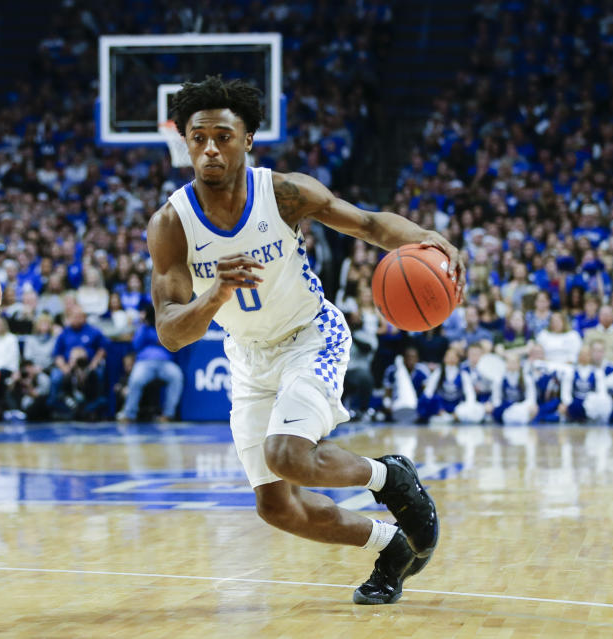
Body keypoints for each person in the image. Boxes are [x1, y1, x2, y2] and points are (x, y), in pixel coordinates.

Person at [147, 77, 461, 606]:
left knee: (287, 453)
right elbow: (172, 332)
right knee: (276, 506)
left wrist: (424, 238)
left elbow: (368, 226)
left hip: (310, 336)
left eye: (222, 136)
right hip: (247, 359)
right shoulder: (171, 224)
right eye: (197, 137)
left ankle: (391, 479)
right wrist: (216, 295)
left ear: (247, 140)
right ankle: (392, 547)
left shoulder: (285, 192)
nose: (209, 148)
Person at [116, 305, 184, 422]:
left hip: (165, 362)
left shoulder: (166, 326)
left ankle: (168, 414)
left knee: (176, 376)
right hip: (145, 362)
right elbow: (136, 345)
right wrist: (143, 325)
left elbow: (173, 344)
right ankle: (129, 413)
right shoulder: (144, 328)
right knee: (136, 379)